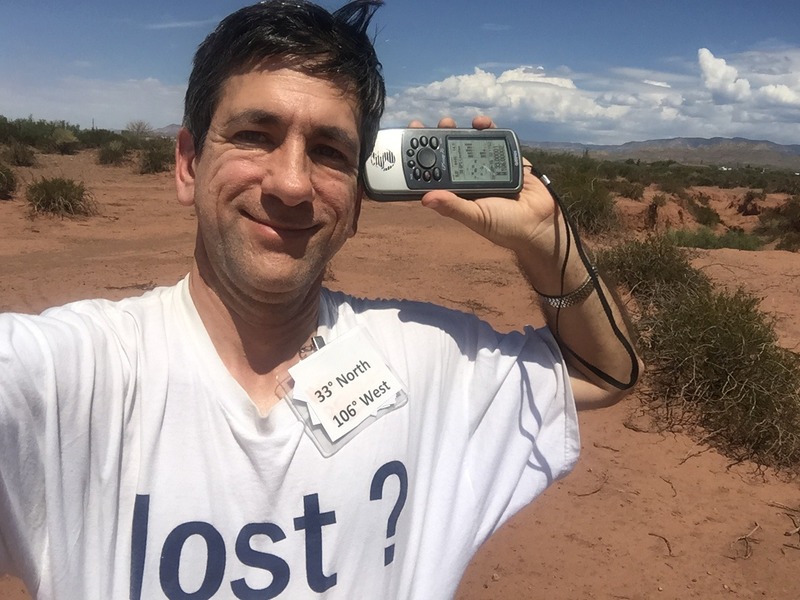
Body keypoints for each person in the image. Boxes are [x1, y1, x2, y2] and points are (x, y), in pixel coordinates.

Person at [0, 1, 640, 598]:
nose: (292, 183)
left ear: (359, 201)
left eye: (331, 152)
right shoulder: (67, 377)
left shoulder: (428, 358)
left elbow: (601, 372)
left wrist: (546, 242)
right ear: (189, 164)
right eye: (255, 134)